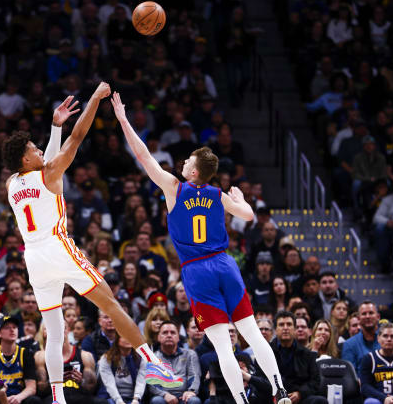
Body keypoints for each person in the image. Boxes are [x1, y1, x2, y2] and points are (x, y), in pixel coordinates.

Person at [2, 84, 181, 404]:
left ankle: (57, 397)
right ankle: (153, 365)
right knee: (110, 302)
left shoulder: (12, 183)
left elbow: (50, 158)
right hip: (57, 248)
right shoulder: (48, 173)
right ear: (24, 158)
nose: (39, 149)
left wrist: (56, 125)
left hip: (34, 260)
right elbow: (77, 139)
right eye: (33, 148)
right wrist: (96, 100)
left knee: (54, 332)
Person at [111, 92, 290, 404]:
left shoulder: (173, 188)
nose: (182, 162)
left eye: (187, 161)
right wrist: (243, 202)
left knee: (223, 346)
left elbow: (144, 157)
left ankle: (241, 401)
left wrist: (124, 120)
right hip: (224, 264)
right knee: (252, 333)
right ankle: (280, 391)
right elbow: (248, 216)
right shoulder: (218, 194)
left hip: (197, 271)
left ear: (194, 172)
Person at [269, 312, 326, 404]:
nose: (285, 328)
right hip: (272, 397)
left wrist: (300, 393)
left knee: (319, 401)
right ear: (275, 329)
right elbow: (260, 379)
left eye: (289, 324)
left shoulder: (306, 354)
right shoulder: (266, 352)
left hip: (299, 398)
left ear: (294, 329)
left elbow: (315, 381)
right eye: (281, 325)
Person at [0, 316, 39, 404]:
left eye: (14, 327)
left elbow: (31, 387)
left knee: (34, 400)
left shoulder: (26, 354)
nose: (12, 330)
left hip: (19, 398)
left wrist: (19, 397)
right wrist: (1, 396)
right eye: (7, 327)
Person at [148, 321, 201, 404]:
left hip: (184, 396)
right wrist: (164, 394)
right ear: (158, 337)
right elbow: (152, 383)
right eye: (165, 333)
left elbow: (194, 376)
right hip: (162, 397)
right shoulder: (152, 358)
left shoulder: (190, 354)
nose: (169, 335)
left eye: (173, 333)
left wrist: (191, 391)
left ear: (178, 337)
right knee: (157, 401)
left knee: (194, 401)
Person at [97, 334, 146, 404]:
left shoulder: (141, 358)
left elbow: (141, 381)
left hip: (133, 398)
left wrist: (136, 399)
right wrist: (119, 401)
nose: (128, 339)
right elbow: (109, 383)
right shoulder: (106, 359)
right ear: (117, 339)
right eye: (124, 337)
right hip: (111, 397)